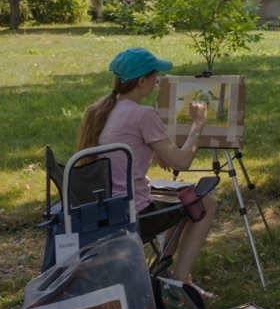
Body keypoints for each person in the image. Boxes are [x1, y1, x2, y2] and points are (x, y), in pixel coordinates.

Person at [76, 47, 217, 288]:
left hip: (102, 211)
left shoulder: (100, 110)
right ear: (142, 81)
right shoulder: (143, 114)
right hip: (133, 216)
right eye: (155, 76)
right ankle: (180, 279)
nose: (158, 80)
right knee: (206, 201)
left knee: (182, 199)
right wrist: (198, 124)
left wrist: (155, 152)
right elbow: (182, 162)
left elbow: (119, 153)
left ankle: (162, 271)